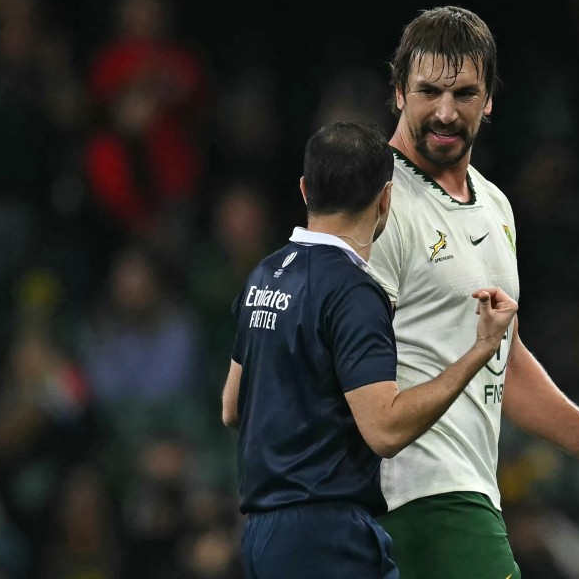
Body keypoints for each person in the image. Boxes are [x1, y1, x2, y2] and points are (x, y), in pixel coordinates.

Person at [365, 5, 579, 578]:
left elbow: (505, 359)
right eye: (429, 91)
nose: (446, 112)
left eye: (465, 93)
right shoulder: (373, 201)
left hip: (469, 489)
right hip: (411, 497)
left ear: (491, 99)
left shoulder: (496, 204)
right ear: (398, 92)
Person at [220, 120, 518, 578]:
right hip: (326, 534)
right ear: (385, 198)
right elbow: (385, 430)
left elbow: (232, 407)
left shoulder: (264, 274)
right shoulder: (354, 291)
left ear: (304, 189)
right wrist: (480, 350)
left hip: (261, 535)